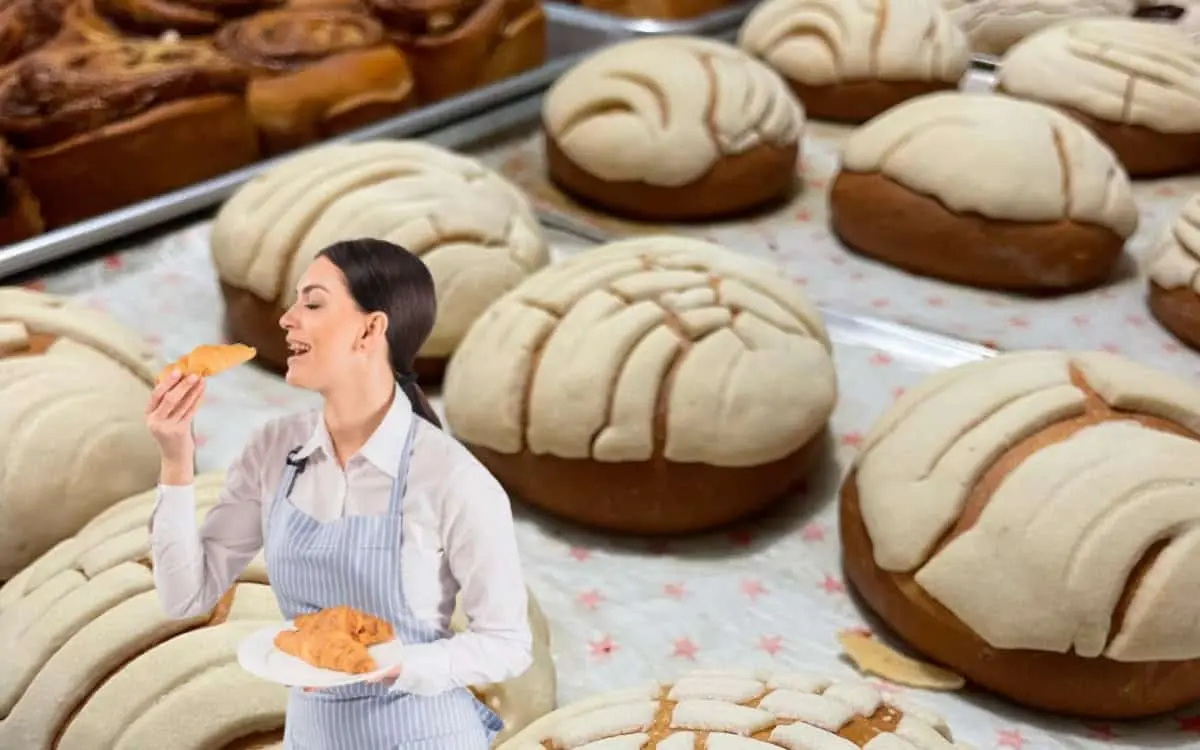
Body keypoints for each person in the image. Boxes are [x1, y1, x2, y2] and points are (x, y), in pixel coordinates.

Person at [145, 238, 531, 749]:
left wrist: (395, 664)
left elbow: (507, 644)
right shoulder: (272, 449)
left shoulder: (452, 478)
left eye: (312, 302)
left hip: (425, 737)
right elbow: (183, 596)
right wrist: (176, 458)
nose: (286, 318)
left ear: (370, 329)